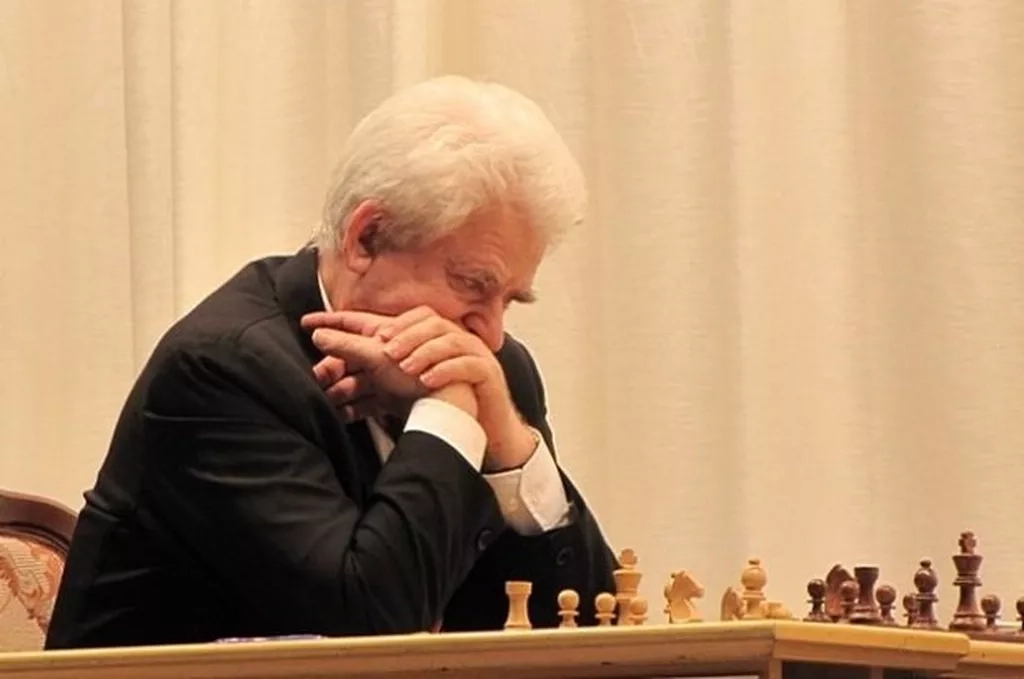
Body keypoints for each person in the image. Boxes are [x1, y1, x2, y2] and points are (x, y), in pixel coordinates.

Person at [45, 76, 618, 649]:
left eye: (510, 300)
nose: (490, 334)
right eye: (473, 285)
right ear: (366, 238)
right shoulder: (223, 371)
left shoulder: (492, 376)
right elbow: (369, 628)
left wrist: (509, 449)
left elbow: (595, 635)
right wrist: (448, 414)